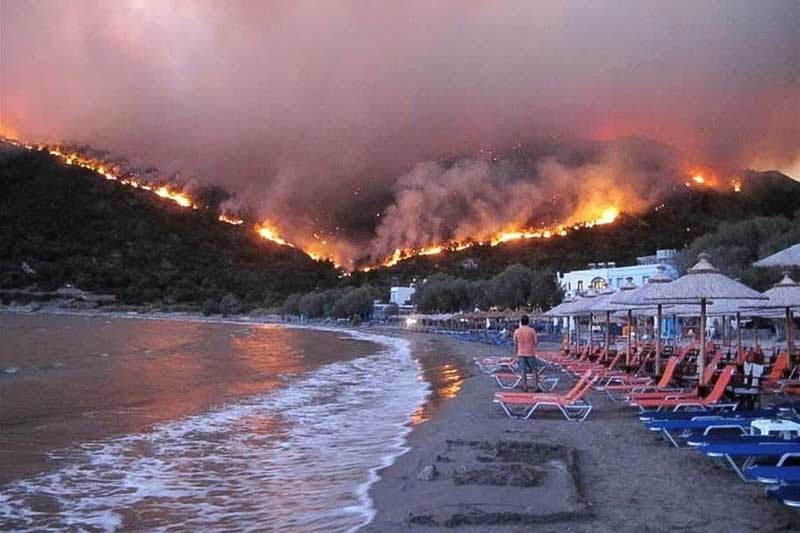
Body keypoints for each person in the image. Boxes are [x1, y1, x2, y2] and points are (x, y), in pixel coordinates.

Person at [513, 315, 539, 392]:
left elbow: (515, 343)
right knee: (534, 370)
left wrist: (515, 354)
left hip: (520, 353)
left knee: (523, 371)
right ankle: (536, 386)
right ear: (528, 321)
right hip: (530, 353)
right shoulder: (532, 330)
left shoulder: (517, 331)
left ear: (521, 322)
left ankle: (525, 386)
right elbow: (536, 342)